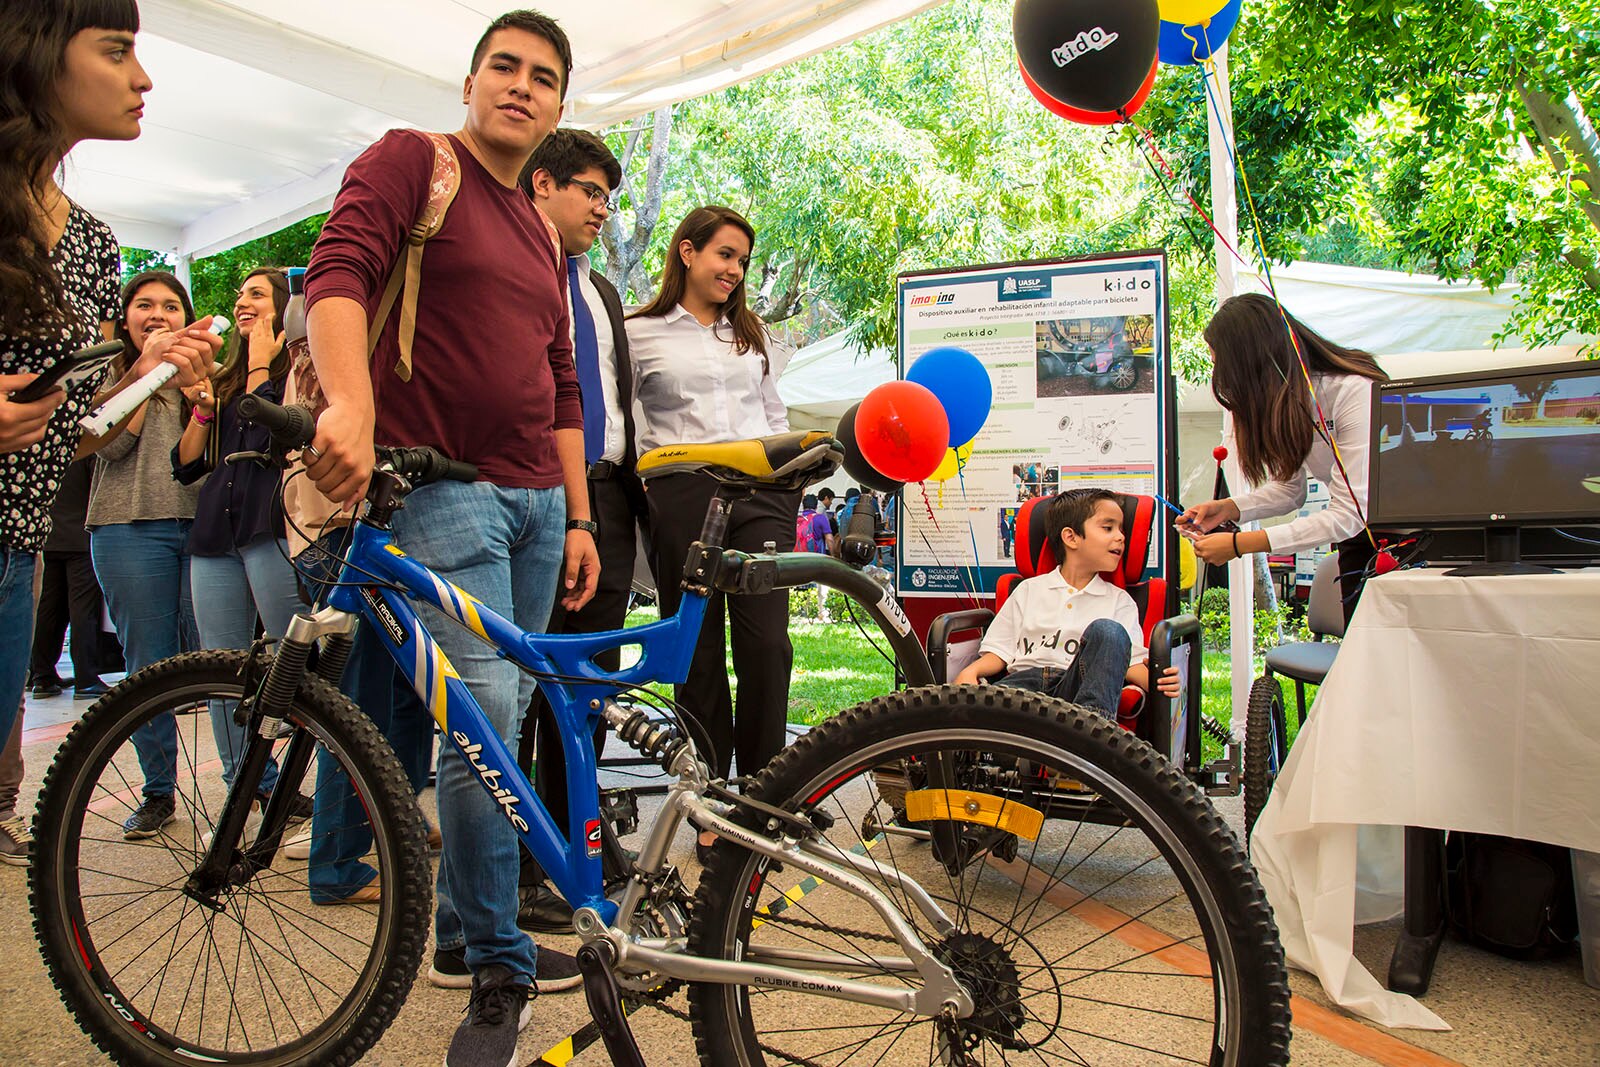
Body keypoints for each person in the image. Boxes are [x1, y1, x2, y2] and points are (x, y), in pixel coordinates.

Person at [302, 11, 597, 1062]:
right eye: (505, 68)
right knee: (480, 718)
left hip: (533, 502)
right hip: (441, 487)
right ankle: (497, 962)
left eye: (544, 77)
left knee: (498, 727)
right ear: (471, 80)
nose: (522, 86)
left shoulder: (534, 223)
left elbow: (560, 376)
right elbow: (334, 274)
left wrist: (580, 513)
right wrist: (349, 405)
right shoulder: (410, 161)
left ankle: (467, 931)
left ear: (559, 105)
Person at [0, 0, 219, 784]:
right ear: (39, 53)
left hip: (15, 546)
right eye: (117, 50)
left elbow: (77, 433)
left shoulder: (92, 240)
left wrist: (151, 380)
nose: (142, 76)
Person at [627, 205, 794, 861]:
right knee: (695, 652)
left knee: (767, 645)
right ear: (688, 253)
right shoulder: (638, 330)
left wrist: (787, 486)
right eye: (725, 254)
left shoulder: (751, 335)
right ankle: (710, 802)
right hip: (681, 488)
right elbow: (624, 415)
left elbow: (773, 413)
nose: (735, 270)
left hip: (761, 491)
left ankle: (766, 794)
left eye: (744, 261)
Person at [516, 127, 647, 932]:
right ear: (542, 186)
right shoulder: (515, 274)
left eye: (608, 194)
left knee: (591, 684)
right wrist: (567, 510)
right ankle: (533, 855)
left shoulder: (597, 289)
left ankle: (580, 835)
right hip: (540, 493)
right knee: (534, 681)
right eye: (589, 192)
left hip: (611, 496)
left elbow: (612, 393)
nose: (603, 208)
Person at [172, 266, 310, 821]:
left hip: (270, 528)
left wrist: (259, 360)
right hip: (214, 534)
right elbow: (185, 467)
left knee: (291, 667)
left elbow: (262, 436)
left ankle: (317, 792)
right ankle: (244, 789)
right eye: (240, 295)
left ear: (283, 305)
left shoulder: (298, 367)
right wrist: (203, 409)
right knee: (222, 670)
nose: (242, 302)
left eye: (256, 294)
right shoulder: (225, 380)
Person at [1176, 293, 1387, 624]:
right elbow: (1290, 491)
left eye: (1220, 362)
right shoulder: (1286, 405)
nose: (1218, 373)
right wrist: (1229, 509)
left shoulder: (1352, 391)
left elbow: (1350, 513)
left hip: (1407, 544)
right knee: (1360, 654)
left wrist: (1240, 544)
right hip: (1356, 542)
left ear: (1250, 360)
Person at [88, 270, 203, 839]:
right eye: (144, 305)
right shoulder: (105, 377)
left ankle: (254, 781)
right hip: (128, 529)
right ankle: (158, 792)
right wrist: (144, 372)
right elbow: (111, 442)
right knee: (149, 667)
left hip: (205, 530)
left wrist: (189, 384)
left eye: (170, 306)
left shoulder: (207, 374)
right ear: (125, 316)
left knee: (225, 659)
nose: (158, 315)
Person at [954, 488, 1180, 716]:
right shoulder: (1028, 590)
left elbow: (1128, 663)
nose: (1121, 536)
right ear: (1071, 537)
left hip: (1078, 692)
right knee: (982, 704)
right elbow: (998, 652)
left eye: (1121, 529)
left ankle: (1093, 731)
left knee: (1109, 632)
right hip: (1023, 687)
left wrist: (1160, 680)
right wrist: (970, 672)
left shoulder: (1120, 601)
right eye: (1108, 528)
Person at [29, 457, 110, 698]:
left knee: (50, 609)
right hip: (81, 537)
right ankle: (86, 678)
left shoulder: (49, 444)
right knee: (83, 610)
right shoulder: (87, 447)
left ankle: (42, 676)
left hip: (50, 535)